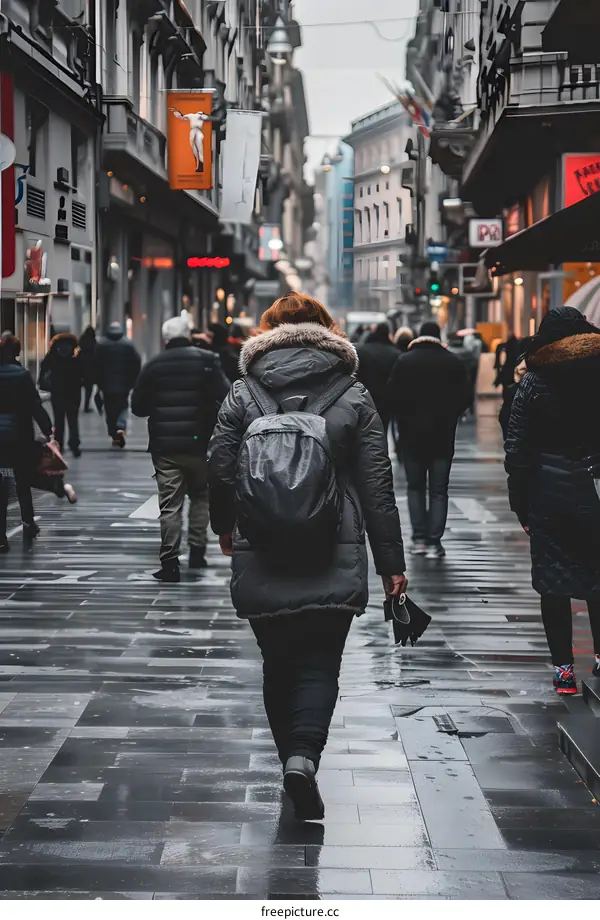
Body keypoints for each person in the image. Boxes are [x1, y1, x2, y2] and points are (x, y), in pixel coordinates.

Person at [208, 293, 406, 821]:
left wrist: (224, 528)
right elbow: (376, 483)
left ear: (267, 331)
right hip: (333, 544)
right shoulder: (353, 391)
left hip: (260, 544)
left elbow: (220, 467)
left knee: (277, 662)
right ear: (328, 330)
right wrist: (391, 562)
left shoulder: (243, 391)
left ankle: (289, 763)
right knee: (320, 662)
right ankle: (304, 758)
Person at [505, 307, 600, 695]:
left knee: (553, 582)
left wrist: (520, 503)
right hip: (596, 489)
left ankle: (564, 670)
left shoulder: (534, 381)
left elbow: (517, 449)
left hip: (549, 495)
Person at [131, 316, 230, 582]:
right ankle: (197, 551)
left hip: (165, 447)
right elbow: (227, 396)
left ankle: (170, 563)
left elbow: (138, 407)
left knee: (170, 505)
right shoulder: (207, 361)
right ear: (189, 335)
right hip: (200, 443)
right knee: (200, 496)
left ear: (165, 339)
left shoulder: (154, 364)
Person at [389, 321, 471, 559]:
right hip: (443, 436)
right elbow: (466, 397)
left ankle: (419, 540)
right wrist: (450, 413)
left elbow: (392, 395)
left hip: (411, 437)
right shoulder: (452, 362)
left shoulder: (405, 361)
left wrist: (405, 415)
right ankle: (435, 541)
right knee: (438, 490)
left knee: (415, 487)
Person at [0, 334, 75, 548]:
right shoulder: (22, 375)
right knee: (22, 481)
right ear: (17, 352)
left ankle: (1, 538)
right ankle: (28, 523)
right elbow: (34, 405)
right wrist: (48, 429)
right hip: (18, 436)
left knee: (2, 486)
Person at [95, 322, 141, 448]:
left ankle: (113, 434)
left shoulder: (101, 345)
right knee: (123, 406)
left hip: (106, 384)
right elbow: (136, 362)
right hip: (124, 383)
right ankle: (121, 426)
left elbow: (95, 364)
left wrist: (98, 381)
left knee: (109, 409)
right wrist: (133, 380)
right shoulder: (128, 344)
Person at [39, 332, 83, 457]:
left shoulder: (52, 355)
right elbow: (83, 371)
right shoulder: (76, 355)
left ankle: (59, 444)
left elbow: (43, 369)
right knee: (73, 419)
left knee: (59, 419)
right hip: (74, 392)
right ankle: (74, 443)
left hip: (57, 391)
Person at [355, 322, 399, 433]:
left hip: (365, 397)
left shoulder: (361, 351)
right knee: (383, 428)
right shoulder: (395, 353)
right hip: (386, 399)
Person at [78, 326, 96, 413]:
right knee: (89, 390)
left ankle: (77, 405)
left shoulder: (82, 343)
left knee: (78, 389)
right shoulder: (94, 344)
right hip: (90, 370)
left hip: (80, 370)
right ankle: (86, 406)